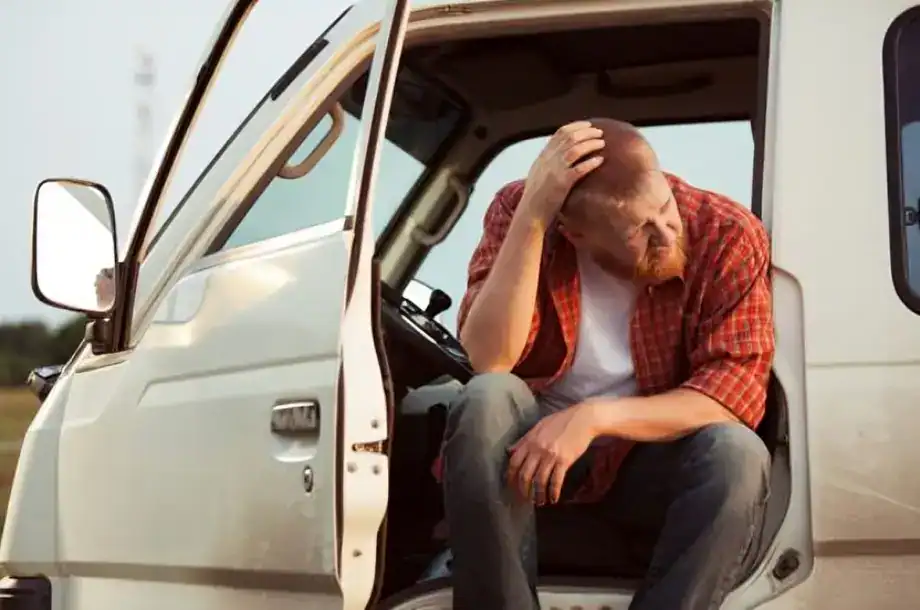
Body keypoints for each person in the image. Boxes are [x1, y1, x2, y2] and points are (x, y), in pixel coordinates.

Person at [437, 118, 775, 610]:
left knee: (737, 454)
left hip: (647, 462)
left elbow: (735, 391)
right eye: (640, 230)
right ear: (573, 233)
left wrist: (594, 418)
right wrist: (533, 214)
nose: (666, 233)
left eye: (665, 206)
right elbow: (491, 358)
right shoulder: (522, 211)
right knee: (486, 397)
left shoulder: (724, 232)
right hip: (532, 464)